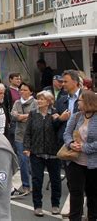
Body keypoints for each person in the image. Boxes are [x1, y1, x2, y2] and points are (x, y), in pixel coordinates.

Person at [23, 90, 62, 216]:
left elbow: (59, 131)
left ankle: (55, 205)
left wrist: (59, 120)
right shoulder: (33, 114)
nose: (39, 101)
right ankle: (37, 206)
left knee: (55, 180)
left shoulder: (55, 114)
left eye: (42, 99)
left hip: (53, 153)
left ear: (49, 102)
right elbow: (28, 132)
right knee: (37, 180)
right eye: (38, 99)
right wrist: (27, 147)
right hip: (37, 153)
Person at [63, 90, 97, 220]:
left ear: (88, 102)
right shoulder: (76, 116)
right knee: (76, 193)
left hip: (93, 163)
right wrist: (71, 143)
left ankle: (92, 217)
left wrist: (84, 147)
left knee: (93, 194)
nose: (78, 102)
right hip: (75, 161)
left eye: (80, 100)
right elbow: (66, 134)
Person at [10, 83, 37, 198]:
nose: (22, 92)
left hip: (34, 136)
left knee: (34, 161)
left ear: (31, 92)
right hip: (20, 135)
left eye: (25, 90)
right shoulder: (17, 102)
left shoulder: (35, 103)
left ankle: (36, 183)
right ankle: (26, 185)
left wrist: (22, 116)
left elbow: (35, 116)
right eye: (21, 90)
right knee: (23, 161)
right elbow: (14, 116)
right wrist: (24, 116)